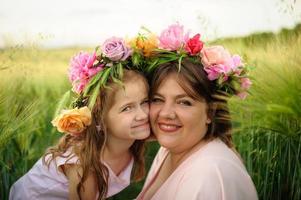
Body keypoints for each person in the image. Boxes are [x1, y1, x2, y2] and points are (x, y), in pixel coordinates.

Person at [9, 36, 150, 200]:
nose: (142, 114)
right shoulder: (84, 163)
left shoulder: (131, 138)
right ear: (100, 119)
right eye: (127, 108)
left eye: (145, 102)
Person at [137, 24, 258, 200]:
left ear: (210, 112)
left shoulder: (209, 175)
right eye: (157, 99)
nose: (166, 113)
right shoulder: (169, 149)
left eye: (184, 102)